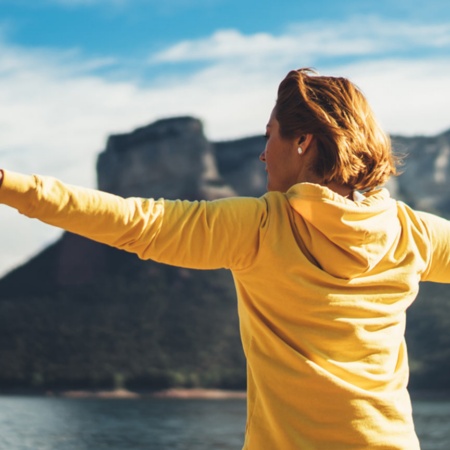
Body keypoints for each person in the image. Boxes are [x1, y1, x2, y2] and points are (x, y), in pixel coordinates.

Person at [1, 68, 449, 449]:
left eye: (270, 135)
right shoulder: (412, 232)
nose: (262, 152)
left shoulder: (260, 227)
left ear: (303, 142)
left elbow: (135, 222)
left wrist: (9, 184)